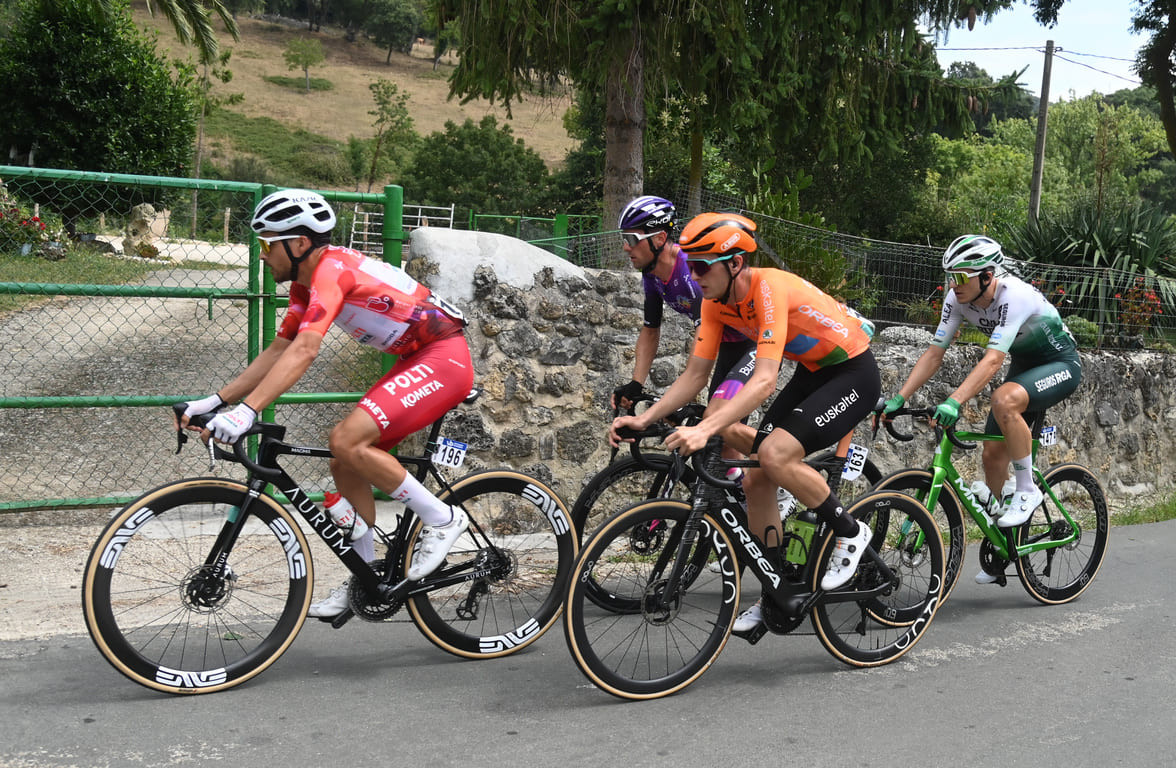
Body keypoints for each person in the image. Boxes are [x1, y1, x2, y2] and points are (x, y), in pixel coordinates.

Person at [177, 189, 475, 618]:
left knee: (346, 439)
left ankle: (443, 519)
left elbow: (306, 350)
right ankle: (368, 577)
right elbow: (280, 350)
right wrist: (216, 400)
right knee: (344, 459)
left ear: (298, 244)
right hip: (416, 358)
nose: (262, 255)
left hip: (444, 356)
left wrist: (247, 412)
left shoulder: (333, 270)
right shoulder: (305, 286)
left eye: (266, 243)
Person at [609, 212, 881, 633]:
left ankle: (849, 530)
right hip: (813, 371)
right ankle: (778, 589)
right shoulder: (714, 303)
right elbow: (695, 375)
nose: (693, 274)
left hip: (851, 371)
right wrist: (644, 419)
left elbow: (766, 379)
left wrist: (704, 428)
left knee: (773, 453)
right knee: (756, 478)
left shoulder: (767, 288)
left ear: (734, 263)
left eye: (702, 266)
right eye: (691, 264)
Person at [877, 234, 1082, 584]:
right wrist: (901, 396)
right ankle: (1006, 546)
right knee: (991, 455)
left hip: (1059, 364)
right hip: (1025, 367)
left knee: (1003, 398)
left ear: (986, 275)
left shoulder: (1013, 296)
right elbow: (934, 352)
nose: (952, 284)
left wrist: (955, 401)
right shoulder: (957, 298)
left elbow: (992, 361)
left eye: (959, 276)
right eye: (949, 276)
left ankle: (1027, 491)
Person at [612, 195, 757, 411]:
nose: (626, 247)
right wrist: (636, 383)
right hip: (730, 344)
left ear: (660, 238)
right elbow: (651, 329)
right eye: (624, 238)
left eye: (632, 239)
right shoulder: (651, 274)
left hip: (754, 343)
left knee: (720, 422)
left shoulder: (690, 270)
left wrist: (680, 401)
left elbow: (702, 337)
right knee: (716, 429)